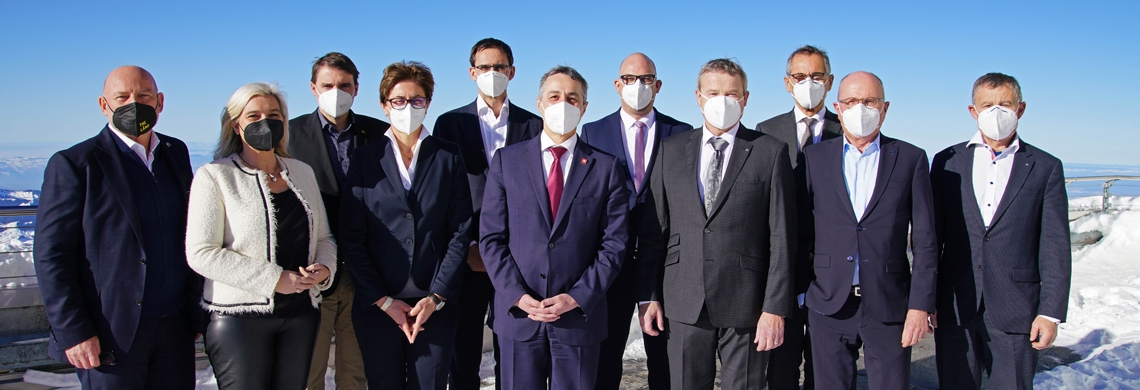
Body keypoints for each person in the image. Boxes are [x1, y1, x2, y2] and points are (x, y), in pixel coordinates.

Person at [34, 65, 204, 389]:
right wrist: (74, 332)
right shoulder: (75, 164)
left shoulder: (175, 152)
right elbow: (51, 254)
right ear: (103, 105)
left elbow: (189, 230)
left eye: (143, 95)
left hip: (174, 328)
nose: (133, 104)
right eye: (122, 97)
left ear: (160, 102)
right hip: (110, 335)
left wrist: (194, 311)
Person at [636, 58, 795, 390]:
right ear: (698, 97)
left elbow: (781, 236)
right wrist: (648, 295)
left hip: (747, 305)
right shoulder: (672, 150)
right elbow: (656, 232)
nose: (723, 101)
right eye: (713, 92)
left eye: (732, 94)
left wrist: (775, 307)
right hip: (683, 300)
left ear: (746, 98)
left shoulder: (770, 152)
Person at [481, 65, 630, 390]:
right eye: (555, 96)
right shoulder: (507, 161)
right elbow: (491, 239)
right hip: (519, 318)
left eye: (572, 98)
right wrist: (517, 295)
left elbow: (614, 245)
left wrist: (576, 297)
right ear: (539, 103)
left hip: (578, 321)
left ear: (584, 107)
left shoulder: (606, 168)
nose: (563, 104)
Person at [186, 82, 336, 389]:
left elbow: (324, 239)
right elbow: (201, 253)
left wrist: (324, 269)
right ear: (236, 125)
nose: (264, 122)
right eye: (253, 116)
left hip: (301, 315)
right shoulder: (214, 176)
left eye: (273, 114)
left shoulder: (301, 172)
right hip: (240, 321)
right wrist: (273, 279)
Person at [931, 72, 1071, 390]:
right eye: (988, 104)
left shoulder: (1045, 167)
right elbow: (931, 238)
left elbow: (1055, 244)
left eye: (1005, 104)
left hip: (1016, 308)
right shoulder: (947, 162)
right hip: (955, 305)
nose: (996, 112)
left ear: (1020, 109)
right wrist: (928, 299)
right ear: (973, 110)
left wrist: (1050, 313)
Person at [340, 61, 473, 390]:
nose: (408, 108)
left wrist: (437, 297)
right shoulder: (365, 159)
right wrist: (383, 300)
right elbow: (352, 235)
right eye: (399, 100)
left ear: (427, 104)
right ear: (385, 105)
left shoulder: (448, 155)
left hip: (434, 306)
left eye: (417, 100)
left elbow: (459, 232)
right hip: (378, 305)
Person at [800, 71, 937, 390]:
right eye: (850, 101)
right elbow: (800, 232)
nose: (860, 108)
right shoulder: (815, 158)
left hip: (888, 304)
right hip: (829, 304)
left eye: (869, 101)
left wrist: (919, 305)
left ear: (885, 108)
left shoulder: (910, 159)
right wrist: (802, 290)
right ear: (838, 106)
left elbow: (926, 241)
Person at [432, 38, 544, 390]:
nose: (492, 74)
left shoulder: (534, 125)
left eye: (499, 67)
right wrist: (467, 247)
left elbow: (539, 197)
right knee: (462, 351)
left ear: (512, 72)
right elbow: (444, 194)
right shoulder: (450, 124)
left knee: (512, 350)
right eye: (484, 67)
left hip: (517, 259)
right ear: (471, 72)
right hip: (469, 258)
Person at [579, 52, 693, 390]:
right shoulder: (593, 132)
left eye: (645, 79)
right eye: (629, 79)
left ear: (657, 85)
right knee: (606, 356)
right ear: (617, 85)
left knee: (664, 360)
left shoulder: (681, 133)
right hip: (609, 263)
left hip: (664, 267)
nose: (638, 86)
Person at [288, 52, 390, 390]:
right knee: (308, 368)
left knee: (356, 370)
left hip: (364, 273)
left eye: (344, 85)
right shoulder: (288, 135)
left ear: (356, 89)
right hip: (312, 269)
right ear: (313, 89)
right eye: (328, 84)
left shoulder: (379, 134)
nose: (336, 91)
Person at [754, 45, 842, 390]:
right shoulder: (767, 130)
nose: (809, 83)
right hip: (783, 266)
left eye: (817, 76)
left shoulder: (845, 129)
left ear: (830, 81)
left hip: (829, 264)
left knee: (825, 363)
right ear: (788, 83)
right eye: (800, 76)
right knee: (781, 364)